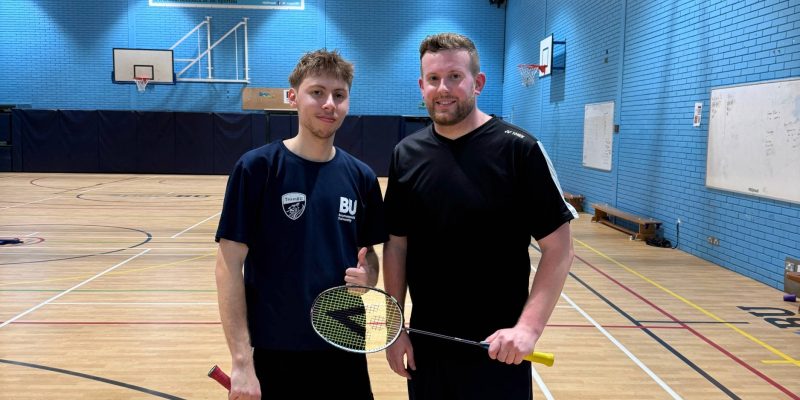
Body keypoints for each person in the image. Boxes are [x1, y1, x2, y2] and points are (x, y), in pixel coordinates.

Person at [382, 32, 578, 400]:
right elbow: (396, 246)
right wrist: (395, 329)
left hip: (501, 350)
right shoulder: (405, 155)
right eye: (434, 79)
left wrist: (527, 330)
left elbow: (560, 249)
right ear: (421, 86)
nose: (444, 88)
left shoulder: (520, 150)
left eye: (455, 76)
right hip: (428, 347)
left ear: (478, 82)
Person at [214, 49, 387, 400]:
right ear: (293, 98)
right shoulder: (256, 169)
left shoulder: (362, 177)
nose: (329, 104)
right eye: (317, 92)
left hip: (344, 344)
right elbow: (228, 266)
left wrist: (368, 277)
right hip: (277, 351)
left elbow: (369, 258)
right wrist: (241, 362)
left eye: (339, 95)